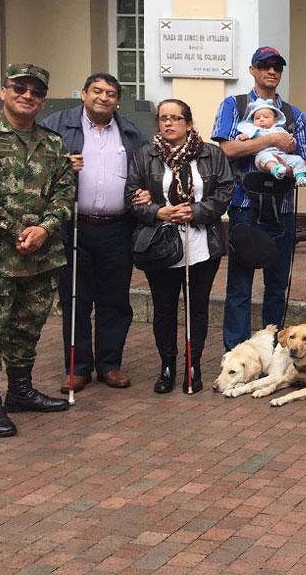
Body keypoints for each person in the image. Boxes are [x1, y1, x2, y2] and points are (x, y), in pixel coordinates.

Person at [0, 63, 75, 437]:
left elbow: (65, 191)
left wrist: (45, 228)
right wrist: (20, 231)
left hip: (40, 256)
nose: (27, 95)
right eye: (19, 88)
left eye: (36, 91)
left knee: (28, 328)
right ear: (4, 91)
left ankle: (20, 391)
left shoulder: (52, 142)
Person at [41, 72, 147, 393]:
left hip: (117, 228)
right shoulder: (57, 124)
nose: (103, 97)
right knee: (75, 297)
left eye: (111, 93)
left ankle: (109, 365)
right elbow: (35, 167)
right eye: (97, 91)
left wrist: (145, 193)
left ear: (118, 101)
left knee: (114, 301)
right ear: (84, 93)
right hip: (74, 226)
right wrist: (61, 165)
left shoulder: (130, 132)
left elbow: (145, 171)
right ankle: (78, 367)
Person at [127, 99, 233, 394]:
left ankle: (193, 365)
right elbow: (130, 197)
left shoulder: (211, 154)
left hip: (200, 243)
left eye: (175, 118)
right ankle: (167, 366)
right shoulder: (143, 156)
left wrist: (196, 211)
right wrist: (158, 212)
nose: (168, 123)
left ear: (188, 123)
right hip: (161, 244)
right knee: (164, 308)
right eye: (163, 118)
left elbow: (226, 191)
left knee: (197, 308)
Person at [212, 46, 306, 350]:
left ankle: (272, 347)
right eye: (264, 65)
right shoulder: (235, 105)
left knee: (277, 285)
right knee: (240, 286)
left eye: (277, 66)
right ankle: (238, 350)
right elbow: (226, 150)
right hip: (245, 206)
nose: (271, 71)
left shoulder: (295, 114)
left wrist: (289, 159)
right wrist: (271, 140)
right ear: (252, 70)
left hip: (281, 208)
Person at [234, 99, 306, 185]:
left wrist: (291, 140)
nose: (261, 120)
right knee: (267, 159)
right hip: (262, 155)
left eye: (266, 117)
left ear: (275, 120)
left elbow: (288, 140)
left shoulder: (279, 130)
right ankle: (275, 169)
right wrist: (242, 137)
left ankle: (300, 177)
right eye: (257, 118)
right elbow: (243, 139)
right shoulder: (253, 130)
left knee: (298, 159)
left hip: (281, 155)